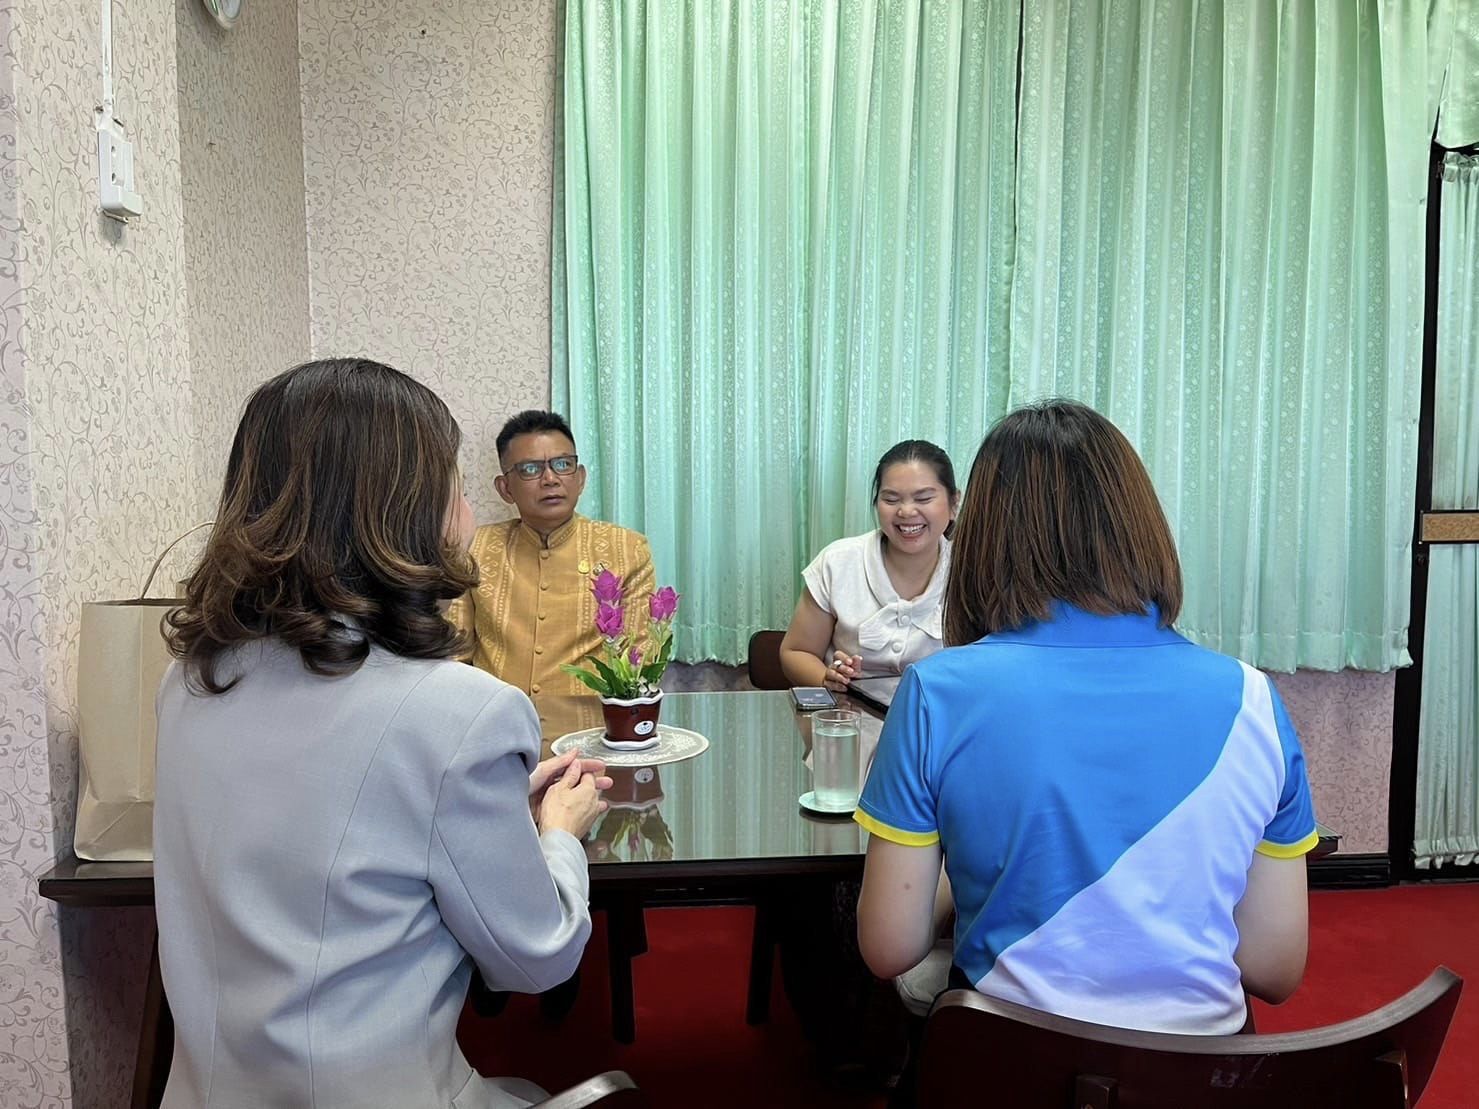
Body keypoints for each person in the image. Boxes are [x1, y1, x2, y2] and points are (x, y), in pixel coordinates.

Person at [156, 359, 611, 1108]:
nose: (465, 510)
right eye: (456, 485)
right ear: (405, 510)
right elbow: (538, 957)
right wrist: (556, 833)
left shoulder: (188, 682)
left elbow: (310, 838)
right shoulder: (460, 713)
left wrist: (483, 803)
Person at [857, 400, 1316, 1042]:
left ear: (983, 531)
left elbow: (888, 947)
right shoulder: (1253, 698)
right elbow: (1273, 967)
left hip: (1009, 1068)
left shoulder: (937, 692)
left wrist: (973, 877)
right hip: (1203, 1077)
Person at [447, 410, 654, 733]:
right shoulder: (474, 548)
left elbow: (640, 660)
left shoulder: (626, 550)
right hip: (494, 731)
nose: (550, 479)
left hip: (593, 736)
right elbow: (453, 655)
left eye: (563, 464)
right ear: (505, 488)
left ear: (580, 477)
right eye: (530, 469)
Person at [780, 440, 958, 691]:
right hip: (848, 722)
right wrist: (826, 678)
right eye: (891, 499)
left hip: (937, 725)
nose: (906, 511)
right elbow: (796, 652)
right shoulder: (838, 562)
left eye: (924, 498)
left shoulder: (970, 571)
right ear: (876, 503)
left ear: (953, 503)